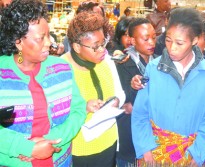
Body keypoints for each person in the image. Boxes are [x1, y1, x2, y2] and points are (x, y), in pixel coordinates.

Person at [0, 0, 87, 166]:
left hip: (60, 160)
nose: (49, 42)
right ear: (18, 41)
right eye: (41, 38)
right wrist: (26, 148)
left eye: (49, 35)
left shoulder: (62, 68)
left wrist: (50, 140)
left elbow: (78, 110)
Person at [131, 8, 205, 166]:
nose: (172, 48)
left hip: (191, 155)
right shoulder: (153, 69)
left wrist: (198, 154)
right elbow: (140, 114)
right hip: (154, 153)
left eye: (179, 43)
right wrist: (145, 149)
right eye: (168, 40)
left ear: (194, 41)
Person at [60, 11, 125, 167]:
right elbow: (56, 114)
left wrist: (116, 101)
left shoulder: (106, 61)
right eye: (96, 47)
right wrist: (84, 107)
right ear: (76, 46)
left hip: (108, 141)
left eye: (103, 43)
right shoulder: (62, 69)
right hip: (80, 149)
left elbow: (120, 93)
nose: (102, 50)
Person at [115, 17, 156, 167]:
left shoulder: (160, 62)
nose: (151, 42)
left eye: (153, 37)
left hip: (154, 134)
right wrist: (132, 87)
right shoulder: (121, 63)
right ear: (132, 41)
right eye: (145, 39)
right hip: (129, 136)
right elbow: (121, 99)